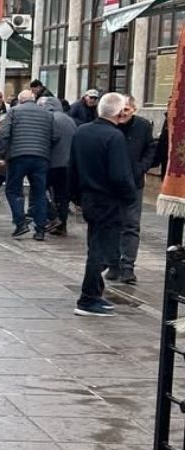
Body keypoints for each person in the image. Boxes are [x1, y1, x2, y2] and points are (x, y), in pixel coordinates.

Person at [69, 93, 137, 317]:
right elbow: (119, 174)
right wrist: (129, 196)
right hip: (108, 200)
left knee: (96, 246)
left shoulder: (82, 132)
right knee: (102, 252)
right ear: (118, 113)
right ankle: (87, 298)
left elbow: (73, 168)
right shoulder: (114, 136)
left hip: (89, 197)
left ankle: (95, 293)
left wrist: (75, 196)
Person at [0, 89, 57, 240]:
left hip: (18, 156)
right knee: (39, 193)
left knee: (13, 190)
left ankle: (20, 222)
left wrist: (2, 154)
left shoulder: (14, 112)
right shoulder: (47, 114)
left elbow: (4, 134)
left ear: (20, 100)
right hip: (41, 158)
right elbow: (55, 136)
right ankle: (40, 229)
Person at [109, 95, 156, 285]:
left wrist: (141, 167)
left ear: (134, 110)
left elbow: (151, 148)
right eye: (120, 109)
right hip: (111, 184)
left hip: (134, 183)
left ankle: (128, 266)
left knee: (131, 224)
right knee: (112, 224)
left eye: (127, 109)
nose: (122, 113)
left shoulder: (143, 126)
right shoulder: (110, 126)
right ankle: (113, 264)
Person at [40, 96, 77, 237]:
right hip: (68, 165)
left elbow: (48, 140)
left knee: (39, 191)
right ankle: (62, 225)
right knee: (62, 196)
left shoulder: (49, 118)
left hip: (52, 163)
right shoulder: (69, 119)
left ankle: (52, 218)